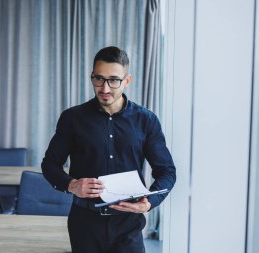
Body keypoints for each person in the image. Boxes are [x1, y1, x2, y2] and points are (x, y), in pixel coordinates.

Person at [41, 46, 176, 253]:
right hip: (84, 224)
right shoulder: (72, 118)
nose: (105, 88)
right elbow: (49, 164)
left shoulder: (146, 120)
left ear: (127, 80)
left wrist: (150, 202)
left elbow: (167, 171)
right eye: (99, 79)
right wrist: (71, 184)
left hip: (129, 226)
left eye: (114, 80)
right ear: (92, 77)